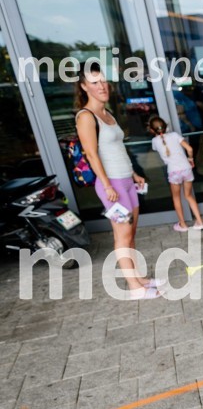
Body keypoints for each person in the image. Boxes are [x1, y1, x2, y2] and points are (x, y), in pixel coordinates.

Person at [74, 61, 161, 300]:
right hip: (111, 185)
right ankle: (135, 288)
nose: (101, 85)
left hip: (126, 181)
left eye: (103, 80)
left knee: (131, 233)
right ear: (84, 86)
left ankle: (139, 278)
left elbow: (118, 149)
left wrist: (134, 174)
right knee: (122, 236)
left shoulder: (107, 113)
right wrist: (108, 186)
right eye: (94, 82)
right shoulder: (86, 116)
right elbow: (92, 154)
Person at [147, 116, 203, 232]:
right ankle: (200, 221)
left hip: (173, 171)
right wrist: (190, 159)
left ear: (151, 130)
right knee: (188, 196)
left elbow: (159, 146)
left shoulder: (154, 141)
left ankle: (183, 225)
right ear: (166, 126)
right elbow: (189, 149)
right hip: (186, 168)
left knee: (176, 197)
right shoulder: (174, 135)